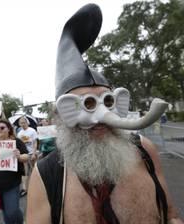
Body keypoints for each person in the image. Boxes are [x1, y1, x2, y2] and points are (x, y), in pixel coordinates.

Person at [26, 4, 183, 224]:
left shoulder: (144, 150)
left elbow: (171, 215)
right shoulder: (48, 173)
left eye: (108, 101)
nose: (101, 115)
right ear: (64, 113)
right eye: (87, 104)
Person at [16, 116, 38, 197]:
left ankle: (36, 186)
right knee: (24, 172)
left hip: (32, 153)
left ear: (27, 122)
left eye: (24, 122)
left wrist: (34, 153)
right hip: (24, 155)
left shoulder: (32, 131)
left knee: (34, 170)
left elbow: (35, 142)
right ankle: (24, 188)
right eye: (21, 123)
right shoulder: (19, 133)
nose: (22, 124)